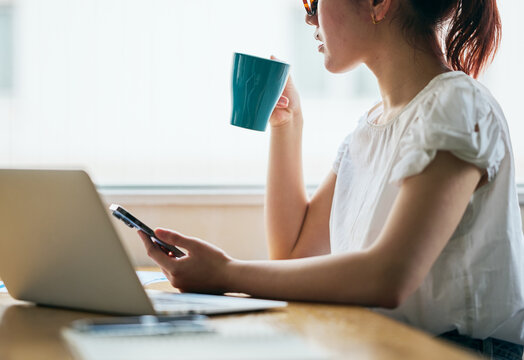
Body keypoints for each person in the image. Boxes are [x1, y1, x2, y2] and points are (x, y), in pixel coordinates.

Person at [138, 0, 524, 358]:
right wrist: (287, 126)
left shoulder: (458, 103)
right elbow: (292, 255)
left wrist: (226, 273)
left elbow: (390, 277)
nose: (309, 17)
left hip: (454, 351)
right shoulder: (367, 131)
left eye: (313, 0)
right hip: (385, 343)